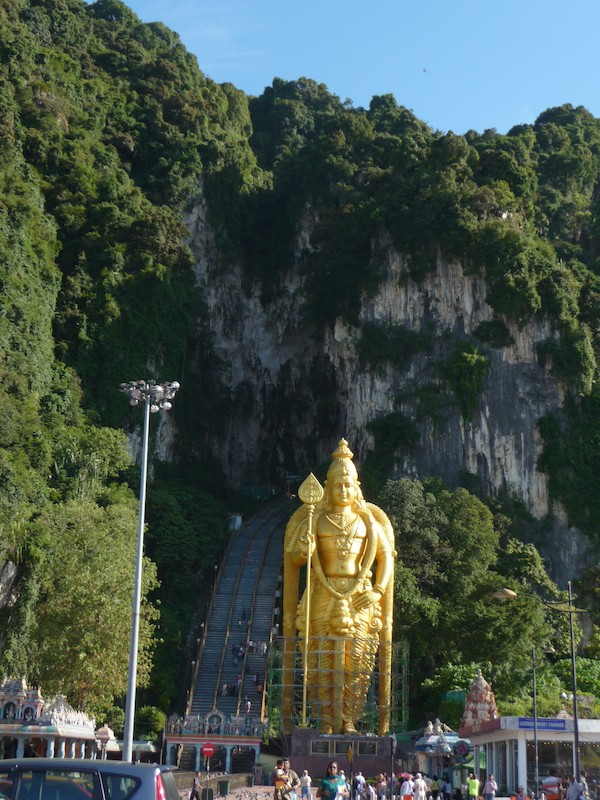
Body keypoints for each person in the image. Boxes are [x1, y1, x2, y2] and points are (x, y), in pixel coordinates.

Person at [283, 438, 395, 734]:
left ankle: (348, 719)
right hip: (323, 591)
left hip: (359, 595)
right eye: (337, 485)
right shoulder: (315, 520)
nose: (343, 490)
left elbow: (386, 557)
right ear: (328, 488)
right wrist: (304, 551)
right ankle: (325, 720)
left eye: (348, 485)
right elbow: (293, 558)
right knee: (321, 657)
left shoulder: (368, 522)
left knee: (356, 659)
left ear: (356, 487)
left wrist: (377, 590)